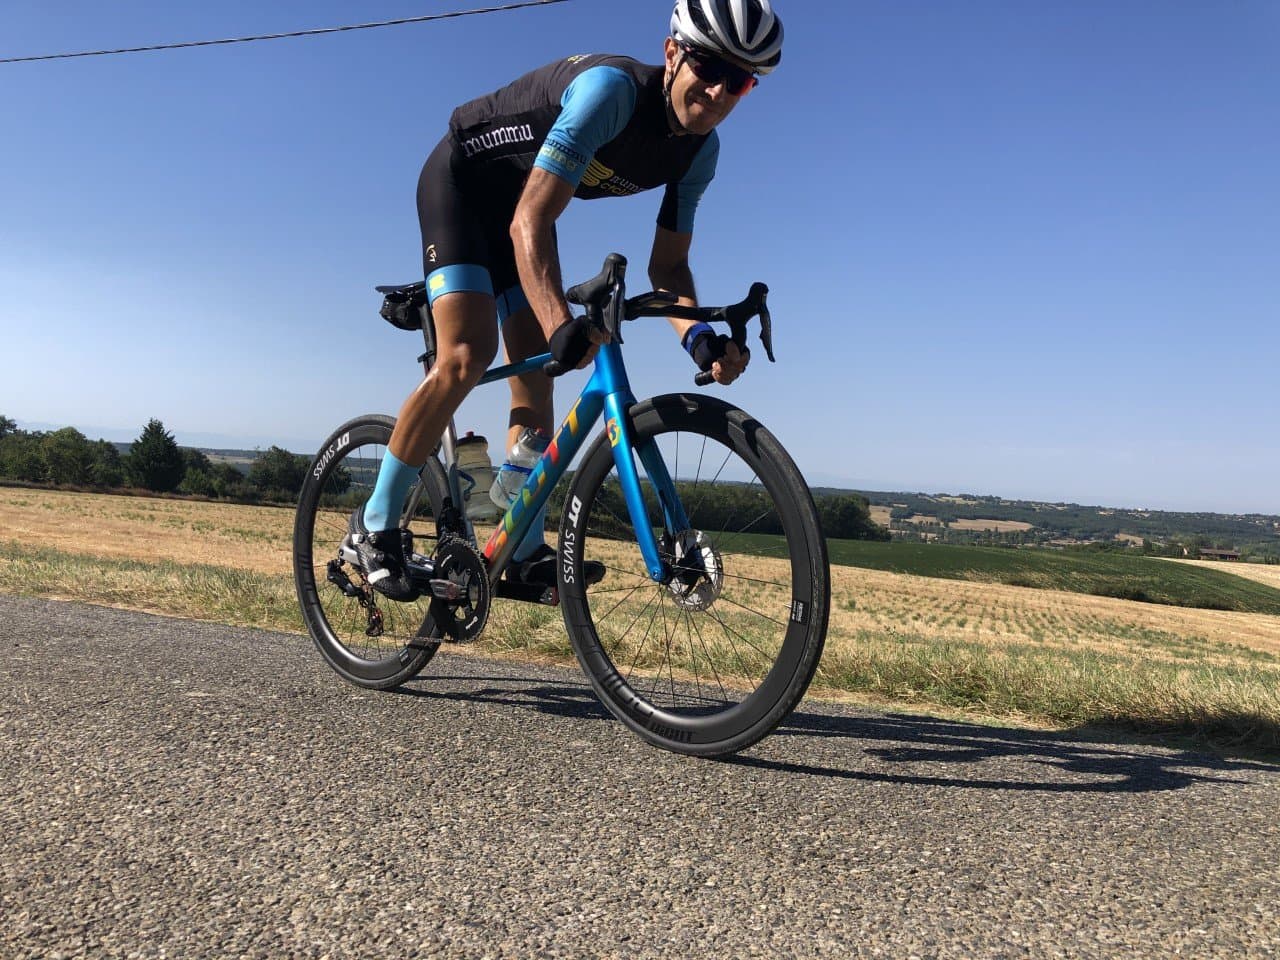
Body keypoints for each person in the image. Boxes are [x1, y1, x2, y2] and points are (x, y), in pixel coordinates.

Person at [348, 0, 785, 600]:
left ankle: (519, 545)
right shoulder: (611, 94)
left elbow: (670, 266)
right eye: (708, 67)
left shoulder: (699, 152)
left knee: (540, 374)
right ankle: (371, 528)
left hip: (526, 202)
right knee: (468, 355)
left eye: (737, 80)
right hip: (464, 185)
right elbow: (530, 220)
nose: (716, 90)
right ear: (672, 54)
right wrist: (561, 323)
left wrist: (700, 340)